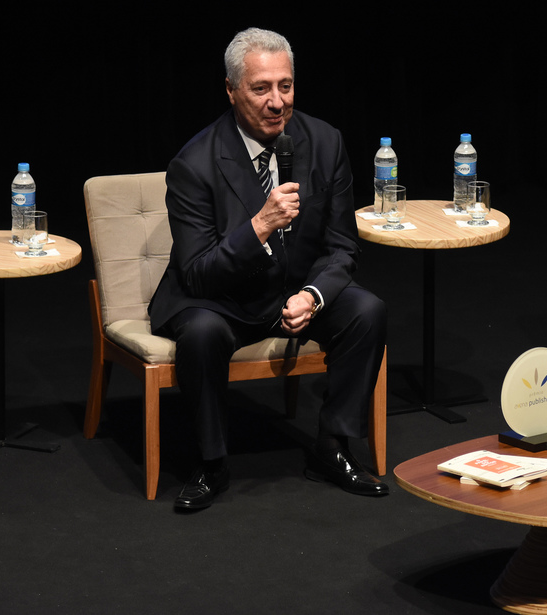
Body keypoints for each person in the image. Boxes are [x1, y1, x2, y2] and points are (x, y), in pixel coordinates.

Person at [149, 27, 388, 510]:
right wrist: (257, 227)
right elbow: (197, 272)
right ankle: (211, 463)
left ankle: (333, 445)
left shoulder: (325, 142)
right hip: (220, 297)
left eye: (286, 85)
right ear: (232, 90)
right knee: (201, 334)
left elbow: (342, 246)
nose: (277, 102)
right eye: (261, 89)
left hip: (294, 290)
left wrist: (314, 296)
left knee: (367, 310)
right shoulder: (193, 164)